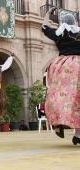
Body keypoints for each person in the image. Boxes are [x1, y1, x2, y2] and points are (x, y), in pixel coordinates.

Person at [42, 7, 80, 145]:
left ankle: (59, 124)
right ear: (75, 23)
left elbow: (45, 27)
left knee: (58, 96)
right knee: (77, 100)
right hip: (78, 67)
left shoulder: (59, 34)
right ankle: (77, 133)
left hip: (61, 67)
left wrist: (47, 14)